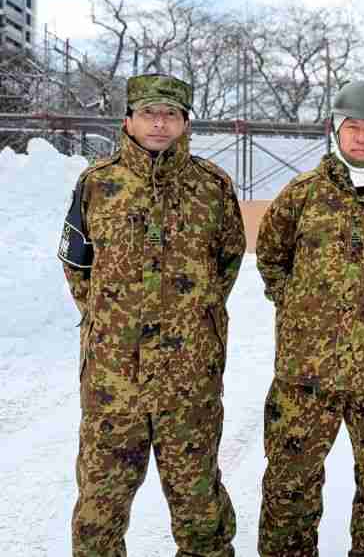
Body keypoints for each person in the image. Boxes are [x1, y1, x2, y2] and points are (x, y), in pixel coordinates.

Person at [58, 73, 245, 557]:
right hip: (113, 380)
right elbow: (78, 265)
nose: (159, 123)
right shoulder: (97, 184)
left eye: (170, 115)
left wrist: (192, 319)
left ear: (185, 123)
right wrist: (109, 321)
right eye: (149, 113)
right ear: (129, 121)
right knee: (99, 508)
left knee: (200, 507)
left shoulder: (212, 186)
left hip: (189, 379)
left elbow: (226, 263)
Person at [256, 81, 364, 557]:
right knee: (290, 480)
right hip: (305, 371)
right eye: (351, 127)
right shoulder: (302, 194)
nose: (360, 137)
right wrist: (298, 308)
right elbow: (270, 256)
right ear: (335, 129)